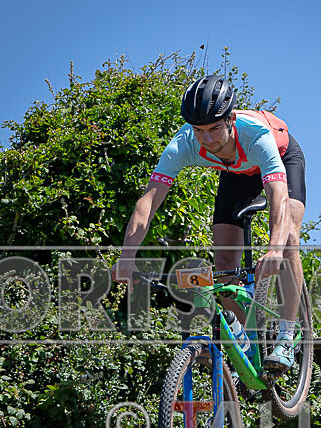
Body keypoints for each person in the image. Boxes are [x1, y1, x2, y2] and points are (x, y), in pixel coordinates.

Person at [112, 75, 306, 371]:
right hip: (236, 173)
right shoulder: (184, 144)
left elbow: (278, 197)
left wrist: (274, 250)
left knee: (288, 235)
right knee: (225, 262)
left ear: (230, 120)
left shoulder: (257, 136)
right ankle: (246, 346)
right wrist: (127, 256)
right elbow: (148, 201)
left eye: (214, 128)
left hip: (282, 159)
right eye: (199, 131)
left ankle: (287, 336)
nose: (208, 140)